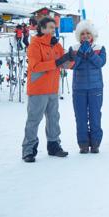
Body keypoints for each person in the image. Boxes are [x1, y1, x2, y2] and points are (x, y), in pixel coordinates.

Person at [21, 17, 72, 163]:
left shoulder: (56, 45)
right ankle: (28, 150)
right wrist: (57, 62)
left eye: (53, 27)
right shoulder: (35, 45)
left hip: (52, 89)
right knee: (34, 120)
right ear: (42, 28)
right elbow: (35, 67)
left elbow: (64, 64)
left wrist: (72, 58)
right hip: (38, 89)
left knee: (54, 119)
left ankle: (54, 145)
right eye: (50, 27)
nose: (53, 30)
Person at [69, 20, 106, 154]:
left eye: (88, 33)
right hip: (79, 89)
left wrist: (90, 53)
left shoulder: (99, 48)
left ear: (92, 35)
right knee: (81, 117)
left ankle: (95, 143)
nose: (85, 36)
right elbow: (72, 65)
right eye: (82, 34)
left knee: (95, 116)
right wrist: (80, 53)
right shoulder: (73, 48)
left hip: (95, 88)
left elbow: (100, 63)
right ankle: (83, 143)